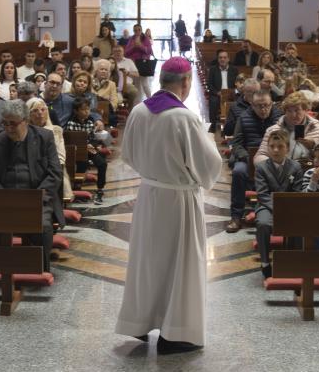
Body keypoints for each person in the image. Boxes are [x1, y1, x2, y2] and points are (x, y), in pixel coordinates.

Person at [116, 57, 221, 353]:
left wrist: (153, 172)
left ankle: (140, 323)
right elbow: (209, 166)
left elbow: (128, 154)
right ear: (186, 81)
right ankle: (177, 334)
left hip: (149, 195)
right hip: (179, 201)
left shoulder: (139, 111)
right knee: (181, 265)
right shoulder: (185, 119)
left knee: (147, 262)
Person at [0, 100, 60, 272]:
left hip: (37, 199)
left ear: (26, 121)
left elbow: (54, 173)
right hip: (3, 200)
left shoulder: (44, 138)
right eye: (5, 123)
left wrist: (38, 196)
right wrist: (4, 197)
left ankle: (40, 269)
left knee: (43, 226)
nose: (8, 128)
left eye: (13, 124)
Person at [225, 89, 280, 233]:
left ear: (271, 103)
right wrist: (248, 158)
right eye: (259, 106)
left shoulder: (279, 117)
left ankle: (276, 214)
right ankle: (236, 216)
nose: (263, 109)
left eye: (267, 105)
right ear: (252, 105)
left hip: (274, 157)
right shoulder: (243, 118)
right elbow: (236, 144)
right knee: (238, 172)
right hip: (248, 159)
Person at [253, 128, 304, 278]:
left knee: (299, 223)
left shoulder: (295, 167)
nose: (275, 150)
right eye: (272, 146)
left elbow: (297, 192)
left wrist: (287, 209)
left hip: (290, 206)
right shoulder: (261, 167)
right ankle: (265, 262)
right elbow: (262, 194)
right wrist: (277, 209)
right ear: (268, 148)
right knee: (263, 224)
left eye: (280, 146)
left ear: (287, 148)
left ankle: (295, 259)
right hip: (267, 205)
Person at [256, 93, 319, 165]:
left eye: (297, 110)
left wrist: (313, 146)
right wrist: (273, 165)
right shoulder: (273, 130)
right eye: (289, 111)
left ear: (305, 110)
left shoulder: (318, 128)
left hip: (309, 168)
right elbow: (260, 156)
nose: (293, 115)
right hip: (281, 169)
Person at [205, 49, 235, 131]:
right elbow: (209, 84)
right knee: (213, 101)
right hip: (217, 94)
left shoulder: (234, 70)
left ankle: (231, 126)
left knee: (236, 102)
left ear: (228, 59)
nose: (222, 59)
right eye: (220, 57)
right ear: (218, 59)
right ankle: (213, 125)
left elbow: (237, 83)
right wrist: (217, 92)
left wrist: (231, 92)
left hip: (230, 93)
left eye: (225, 57)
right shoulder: (213, 69)